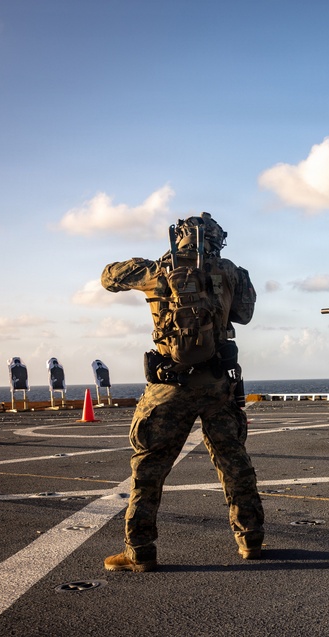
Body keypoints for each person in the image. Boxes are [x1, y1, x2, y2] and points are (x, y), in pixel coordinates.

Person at [101, 212, 264, 572]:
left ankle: (139, 549)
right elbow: (245, 314)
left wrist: (148, 267)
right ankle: (250, 538)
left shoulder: (158, 270)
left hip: (169, 384)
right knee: (233, 461)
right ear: (216, 240)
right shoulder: (231, 271)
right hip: (219, 383)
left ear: (181, 237)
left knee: (149, 466)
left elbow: (108, 277)